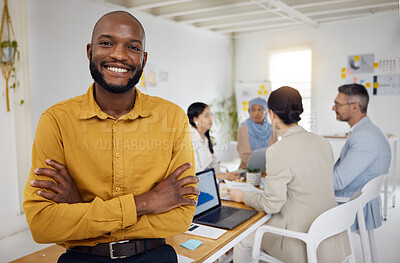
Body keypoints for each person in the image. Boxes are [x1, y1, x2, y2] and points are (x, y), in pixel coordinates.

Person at [23, 11, 200, 263]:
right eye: (106, 43)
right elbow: (42, 224)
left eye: (133, 47)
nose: (118, 54)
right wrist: (146, 202)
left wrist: (79, 210)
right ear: (89, 51)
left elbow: (181, 217)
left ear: (144, 59)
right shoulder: (56, 121)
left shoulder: (172, 117)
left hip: (155, 257)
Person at [229, 86, 349, 263]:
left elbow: (271, 205)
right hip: (330, 234)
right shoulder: (322, 142)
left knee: (240, 240)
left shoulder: (278, 151)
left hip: (299, 241)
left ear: (271, 114)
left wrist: (243, 197)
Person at [332, 83, 391, 230]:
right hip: (357, 200)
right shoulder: (366, 131)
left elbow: (338, 182)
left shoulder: (365, 136)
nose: (333, 108)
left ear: (355, 107)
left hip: (350, 204)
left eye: (337, 104)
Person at [187, 102, 240, 181]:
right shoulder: (191, 139)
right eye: (206, 116)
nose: (211, 118)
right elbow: (197, 174)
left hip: (210, 180)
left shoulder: (205, 137)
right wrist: (222, 176)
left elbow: (213, 163)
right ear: (195, 120)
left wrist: (226, 176)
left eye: (211, 115)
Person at [237, 97, 278, 169]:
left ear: (266, 112)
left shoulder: (272, 129)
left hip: (270, 169)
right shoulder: (244, 128)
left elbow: (275, 152)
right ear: (249, 111)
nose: (256, 113)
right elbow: (245, 155)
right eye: (253, 110)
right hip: (250, 170)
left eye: (260, 110)